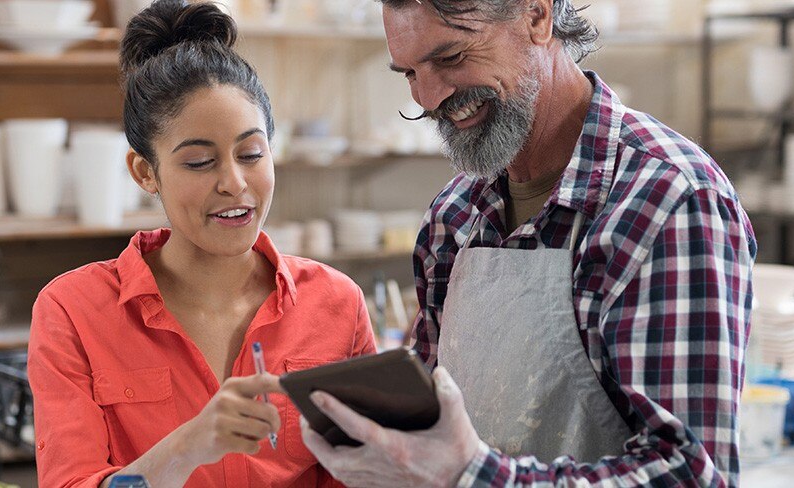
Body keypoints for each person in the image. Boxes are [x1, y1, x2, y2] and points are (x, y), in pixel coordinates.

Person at [300, 1, 755, 487]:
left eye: (451, 58)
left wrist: (471, 476)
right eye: (410, 72)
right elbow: (434, 421)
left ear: (537, 17)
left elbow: (688, 475)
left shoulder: (667, 201)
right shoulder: (454, 216)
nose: (428, 99)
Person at [27, 1, 376, 487]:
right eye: (198, 162)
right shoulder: (73, 311)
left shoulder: (337, 304)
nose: (235, 183)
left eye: (251, 153)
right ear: (145, 172)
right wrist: (188, 447)